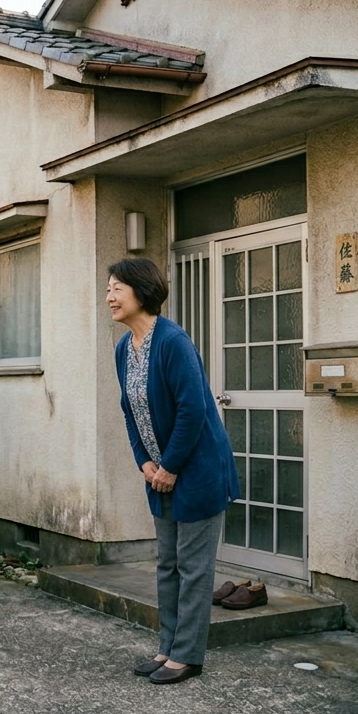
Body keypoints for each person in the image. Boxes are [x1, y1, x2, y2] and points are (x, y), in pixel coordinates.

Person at [107, 258, 240, 685]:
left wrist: (170, 466)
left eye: (116, 288)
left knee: (194, 567)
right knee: (167, 564)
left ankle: (188, 656)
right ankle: (167, 648)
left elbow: (193, 410)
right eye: (108, 289)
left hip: (196, 471)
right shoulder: (124, 348)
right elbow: (130, 411)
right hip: (159, 472)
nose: (109, 296)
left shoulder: (174, 342)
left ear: (141, 293)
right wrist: (144, 462)